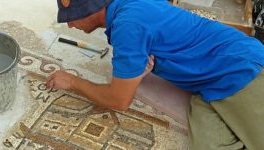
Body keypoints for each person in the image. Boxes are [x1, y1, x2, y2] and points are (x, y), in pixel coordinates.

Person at [46, 0, 264, 149]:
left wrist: (72, 81)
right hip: (206, 84)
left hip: (240, 69)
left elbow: (118, 100)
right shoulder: (129, 8)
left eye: (73, 16)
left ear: (92, 8)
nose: (70, 24)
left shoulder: (128, 25)